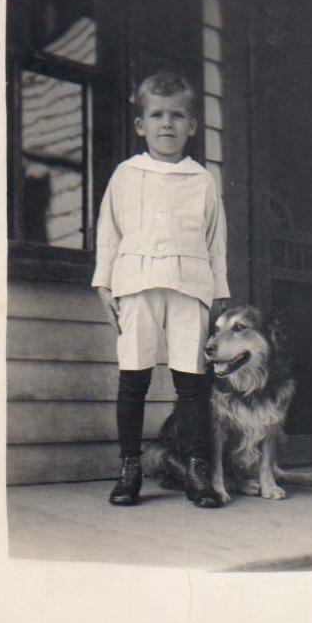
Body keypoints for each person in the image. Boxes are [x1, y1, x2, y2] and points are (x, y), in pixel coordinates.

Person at [92, 71, 230, 508]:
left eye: (177, 115)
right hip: (136, 282)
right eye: (156, 115)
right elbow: (108, 233)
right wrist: (104, 281)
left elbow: (215, 240)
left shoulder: (202, 181)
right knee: (133, 376)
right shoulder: (125, 175)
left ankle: (197, 469)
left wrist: (218, 291)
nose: (166, 124)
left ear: (192, 126)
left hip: (189, 285)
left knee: (192, 382)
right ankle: (130, 468)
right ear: (141, 125)